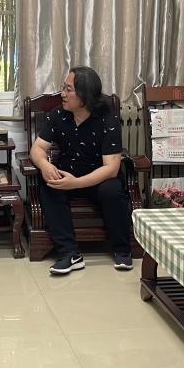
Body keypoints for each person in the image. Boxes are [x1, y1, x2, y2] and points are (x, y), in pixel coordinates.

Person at [30, 66, 134, 275]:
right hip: (67, 173)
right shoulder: (59, 115)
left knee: (112, 190)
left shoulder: (107, 118)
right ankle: (69, 253)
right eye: (63, 88)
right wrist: (45, 165)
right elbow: (37, 148)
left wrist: (75, 183)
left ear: (85, 95)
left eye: (68, 90)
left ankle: (122, 250)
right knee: (49, 185)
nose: (62, 94)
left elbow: (111, 168)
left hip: (99, 178)